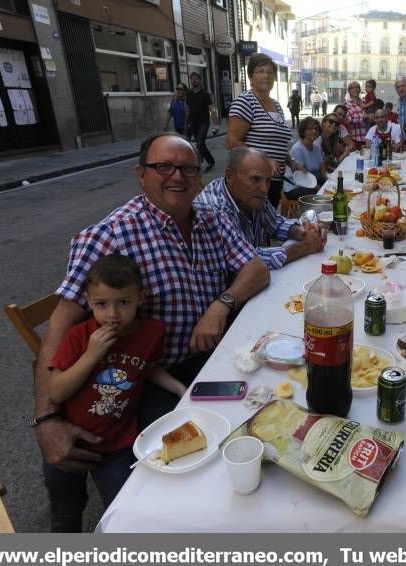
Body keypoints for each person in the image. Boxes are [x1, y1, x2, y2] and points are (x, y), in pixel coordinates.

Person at [33, 133, 270, 483]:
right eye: (164, 167)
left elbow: (257, 269)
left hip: (211, 359)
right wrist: (46, 419)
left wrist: (221, 304)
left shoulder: (212, 219)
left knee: (265, 419)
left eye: (187, 168)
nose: (177, 176)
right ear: (141, 174)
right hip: (147, 378)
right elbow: (60, 325)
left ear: (198, 176)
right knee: (179, 471)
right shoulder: (111, 235)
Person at [44, 254, 185, 531]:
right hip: (72, 441)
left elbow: (149, 367)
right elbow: (56, 392)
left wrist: (180, 388)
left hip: (118, 443)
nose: (112, 314)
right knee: (65, 512)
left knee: (122, 515)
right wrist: (91, 355)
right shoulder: (80, 336)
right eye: (101, 304)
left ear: (141, 298)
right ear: (87, 300)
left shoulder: (152, 332)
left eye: (123, 302)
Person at [196, 146, 327, 269]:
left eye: (268, 181)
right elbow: (250, 260)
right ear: (230, 176)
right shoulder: (215, 209)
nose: (264, 189)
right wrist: (306, 245)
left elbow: (276, 223)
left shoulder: (252, 195)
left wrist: (303, 231)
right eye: (255, 179)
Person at [227, 54, 303, 208]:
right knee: (253, 227)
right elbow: (232, 142)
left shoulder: (277, 106)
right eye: (260, 71)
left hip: (274, 180)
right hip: (252, 180)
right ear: (250, 76)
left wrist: (292, 162)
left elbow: (276, 145)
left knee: (267, 225)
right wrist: (264, 160)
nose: (266, 76)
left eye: (270, 72)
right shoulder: (245, 101)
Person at [185, 72, 216, 172]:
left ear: (200, 80)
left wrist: (215, 125)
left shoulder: (205, 94)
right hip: (194, 123)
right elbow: (188, 109)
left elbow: (211, 109)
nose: (194, 80)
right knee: (201, 144)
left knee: (199, 143)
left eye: (196, 79)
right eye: (192, 79)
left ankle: (199, 163)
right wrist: (186, 122)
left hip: (204, 122)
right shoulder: (188, 94)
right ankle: (211, 161)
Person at [289, 117, 326, 191]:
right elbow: (305, 177)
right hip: (297, 186)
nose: (314, 131)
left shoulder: (316, 148)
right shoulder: (297, 149)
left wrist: (331, 183)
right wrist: (323, 190)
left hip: (312, 181)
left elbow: (323, 172)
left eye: (316, 128)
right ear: (303, 132)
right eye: (309, 129)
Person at [319, 113, 348, 177]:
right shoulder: (318, 139)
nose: (334, 124)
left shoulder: (332, 139)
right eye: (331, 121)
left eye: (337, 124)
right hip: (317, 173)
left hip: (327, 170)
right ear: (324, 123)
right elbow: (321, 164)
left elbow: (345, 149)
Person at [344, 81, 367, 149]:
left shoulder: (365, 102)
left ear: (360, 90)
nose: (355, 89)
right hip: (355, 139)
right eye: (352, 88)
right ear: (349, 91)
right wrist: (363, 117)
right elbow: (348, 120)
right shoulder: (346, 104)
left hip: (368, 139)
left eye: (357, 87)